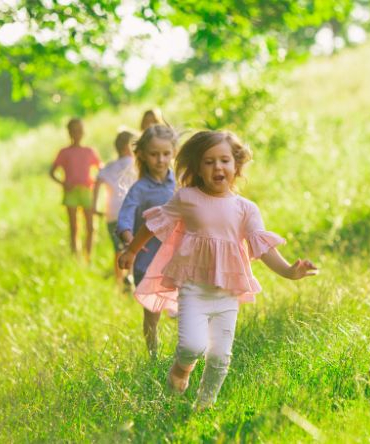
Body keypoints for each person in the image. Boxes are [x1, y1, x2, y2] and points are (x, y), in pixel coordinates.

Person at [118, 130, 317, 410]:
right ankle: (181, 369)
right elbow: (153, 224)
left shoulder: (246, 209)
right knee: (192, 346)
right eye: (209, 162)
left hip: (227, 294)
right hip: (193, 289)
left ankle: (204, 405)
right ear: (198, 168)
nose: (217, 167)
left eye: (224, 160)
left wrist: (288, 271)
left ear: (236, 166)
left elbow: (262, 247)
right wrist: (131, 250)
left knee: (221, 356)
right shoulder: (187, 198)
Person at [116, 125, 178, 357]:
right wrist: (131, 241)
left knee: (188, 305)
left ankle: (186, 355)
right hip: (148, 260)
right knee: (152, 313)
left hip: (179, 258)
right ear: (141, 154)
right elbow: (125, 218)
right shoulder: (139, 189)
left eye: (166, 154)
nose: (161, 160)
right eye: (154, 154)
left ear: (173, 153)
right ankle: (153, 354)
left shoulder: (179, 184)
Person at [49, 118, 102, 261]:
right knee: (74, 227)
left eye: (79, 130)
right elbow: (52, 172)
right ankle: (75, 256)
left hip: (86, 191)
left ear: (83, 132)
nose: (77, 133)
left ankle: (88, 256)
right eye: (73, 130)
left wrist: (95, 182)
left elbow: (101, 170)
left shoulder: (89, 151)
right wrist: (63, 183)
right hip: (71, 192)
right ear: (69, 132)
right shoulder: (64, 152)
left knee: (91, 227)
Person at [93, 130, 138, 289]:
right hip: (131, 212)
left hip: (111, 213)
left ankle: (119, 282)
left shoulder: (109, 167)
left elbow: (97, 183)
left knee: (117, 249)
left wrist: (94, 207)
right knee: (132, 246)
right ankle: (131, 276)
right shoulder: (136, 165)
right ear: (129, 147)